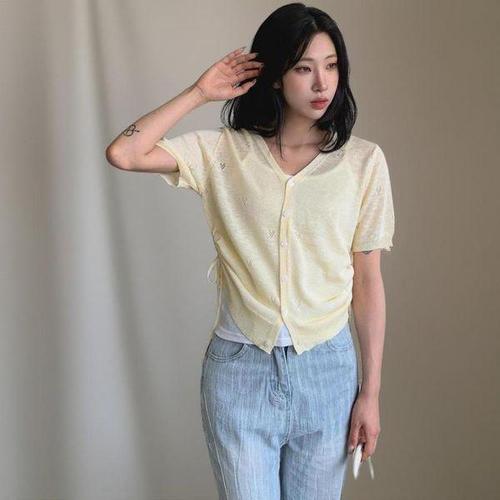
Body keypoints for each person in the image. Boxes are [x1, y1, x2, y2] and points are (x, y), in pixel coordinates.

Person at [105, 3, 395, 499]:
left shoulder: (363, 163)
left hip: (328, 371)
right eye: (303, 68)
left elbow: (367, 284)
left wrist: (370, 393)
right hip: (240, 373)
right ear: (276, 76)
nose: (322, 83)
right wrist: (199, 93)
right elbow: (124, 153)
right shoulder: (223, 152)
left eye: (331, 66)